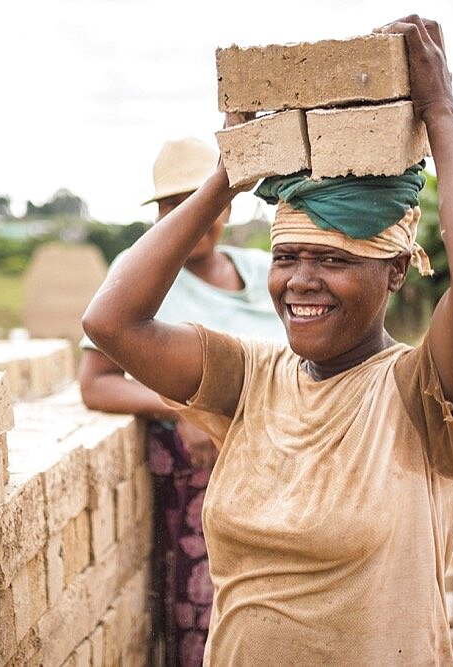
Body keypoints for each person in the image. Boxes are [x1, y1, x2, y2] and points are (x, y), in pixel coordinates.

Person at [82, 15, 453, 665]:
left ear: (396, 268)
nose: (300, 282)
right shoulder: (249, 377)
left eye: (335, 259)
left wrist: (441, 109)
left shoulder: (424, 395)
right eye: (286, 256)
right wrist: (229, 173)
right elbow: (110, 322)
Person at [78, 137, 286, 666]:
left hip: (282, 466)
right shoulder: (142, 273)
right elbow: (96, 383)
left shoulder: (260, 271)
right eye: (174, 205)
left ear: (227, 204)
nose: (194, 216)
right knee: (207, 614)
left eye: (206, 200)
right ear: (161, 214)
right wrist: (181, 408)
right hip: (205, 471)